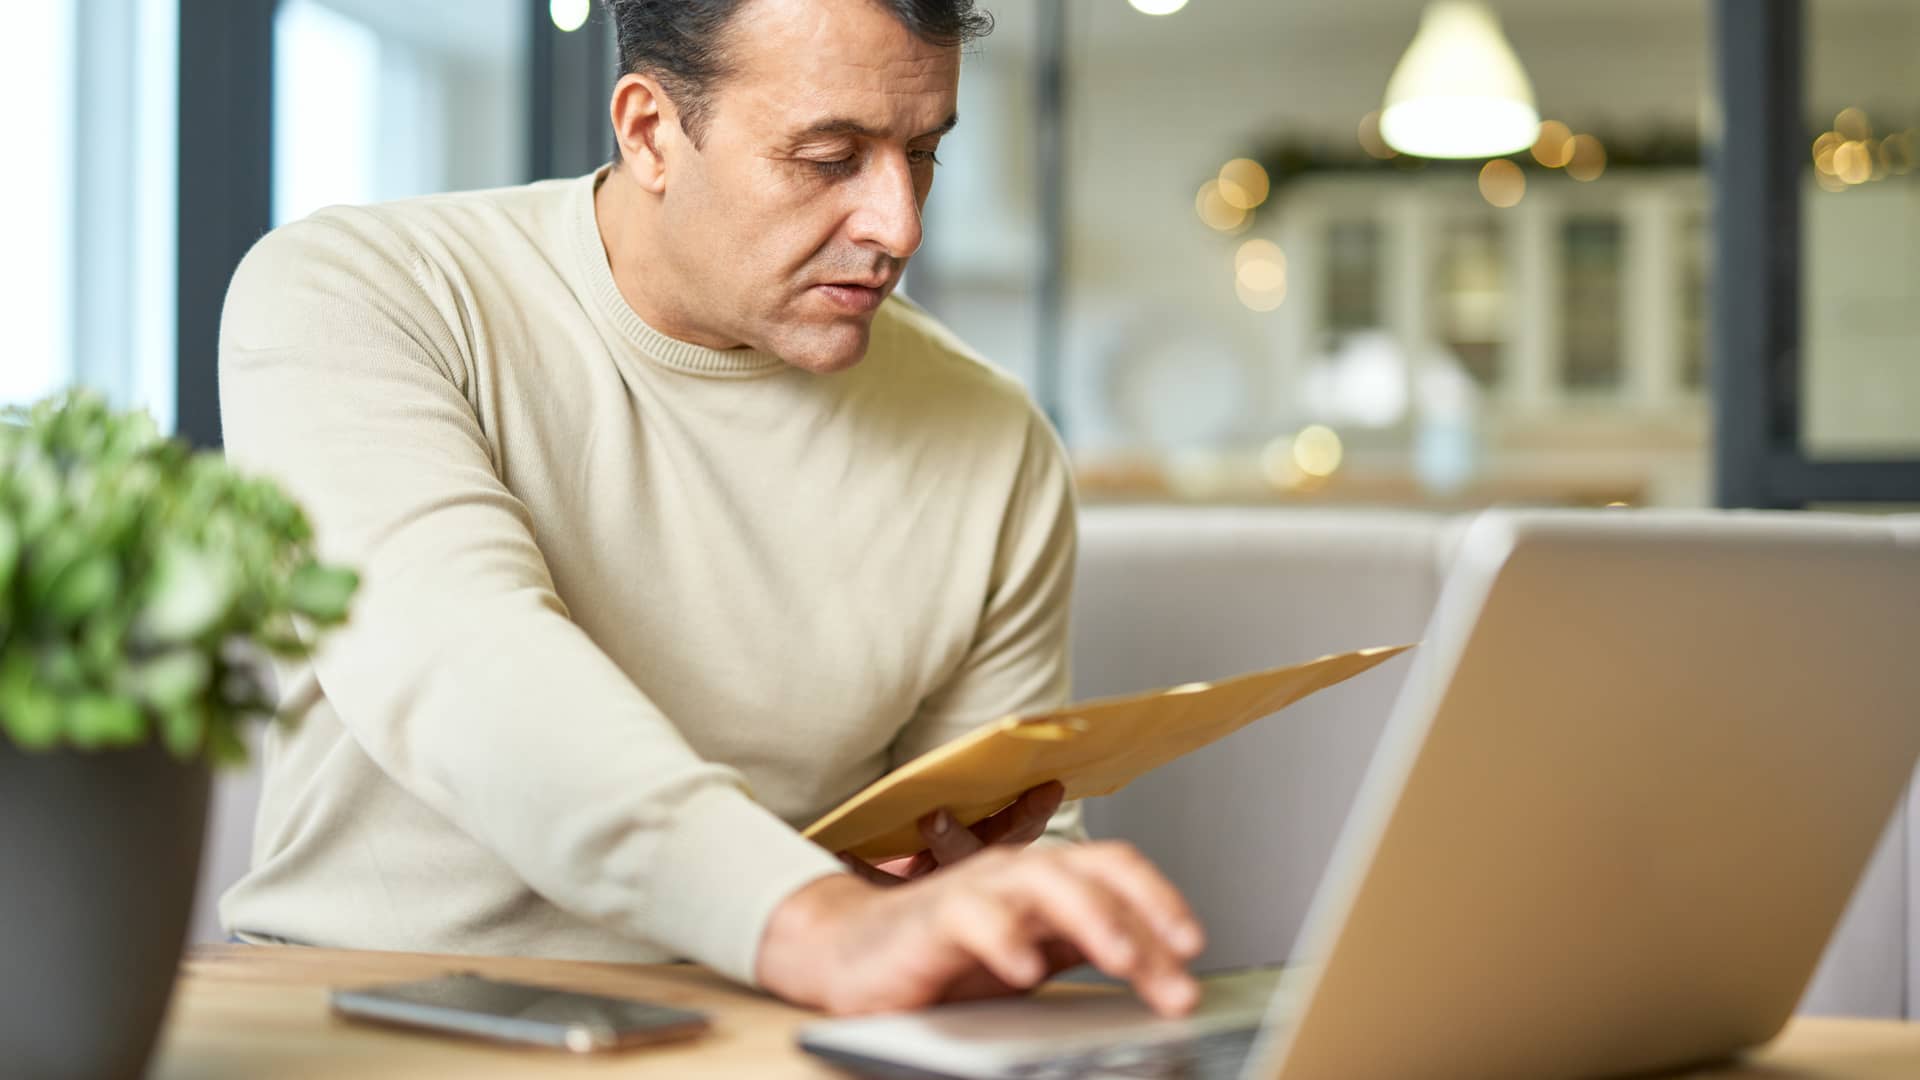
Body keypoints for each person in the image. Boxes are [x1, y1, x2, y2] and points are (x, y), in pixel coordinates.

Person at [217, 0, 1203, 1017]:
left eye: (922, 153)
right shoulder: (358, 295)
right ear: (650, 131)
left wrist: (973, 907)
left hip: (762, 1025)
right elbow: (462, 664)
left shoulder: (994, 440)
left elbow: (980, 850)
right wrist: (813, 920)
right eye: (829, 157)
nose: (897, 224)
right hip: (373, 1013)